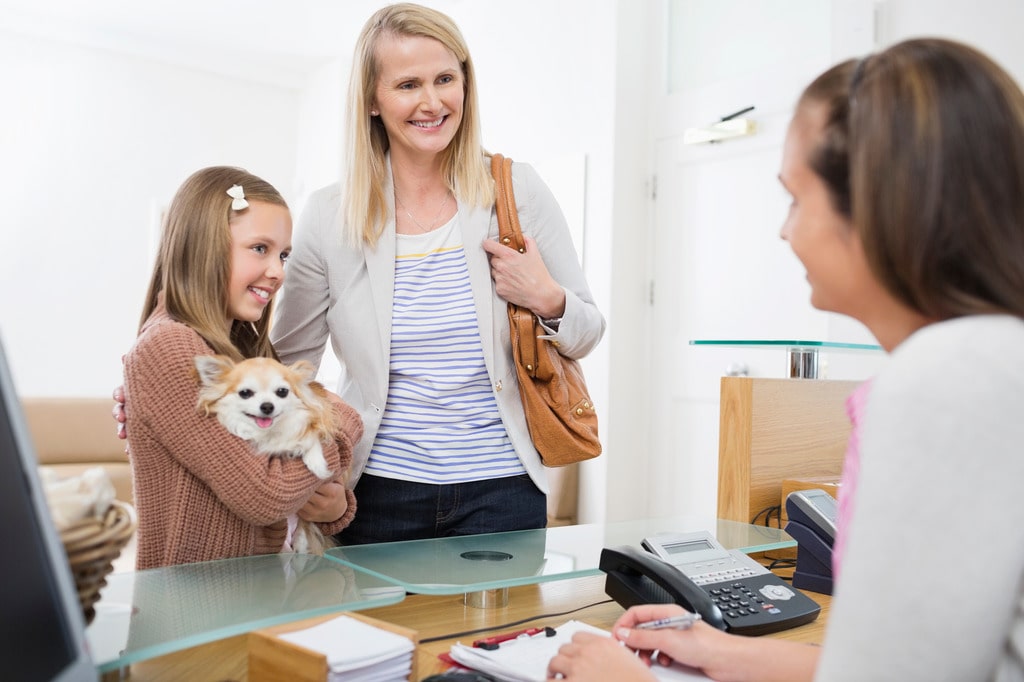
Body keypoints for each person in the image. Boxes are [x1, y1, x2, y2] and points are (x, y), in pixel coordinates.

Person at [547, 38, 1024, 682]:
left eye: (796, 199)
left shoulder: (942, 382)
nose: (785, 231)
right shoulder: (992, 357)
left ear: (878, 204)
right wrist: (721, 649)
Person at [269, 3, 605, 545]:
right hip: (376, 491)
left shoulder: (516, 190)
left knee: (503, 635)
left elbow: (588, 330)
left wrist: (546, 297)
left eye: (445, 78)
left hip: (503, 488)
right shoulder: (330, 216)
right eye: (407, 85)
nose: (432, 102)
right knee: (386, 634)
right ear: (373, 101)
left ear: (465, 84)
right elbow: (289, 368)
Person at [122, 166, 360, 569]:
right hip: (200, 610)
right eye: (260, 249)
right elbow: (266, 496)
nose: (278, 272)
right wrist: (342, 423)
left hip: (262, 596)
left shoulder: (246, 350)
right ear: (202, 246)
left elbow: (295, 482)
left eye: (283, 254)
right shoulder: (170, 344)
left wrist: (334, 505)